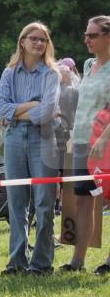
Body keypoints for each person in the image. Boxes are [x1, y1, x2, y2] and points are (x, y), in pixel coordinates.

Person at [0, 22, 61, 275]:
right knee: (16, 202)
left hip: (43, 137)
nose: (38, 43)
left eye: (43, 40)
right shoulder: (9, 73)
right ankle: (17, 261)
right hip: (14, 139)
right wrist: (30, 105)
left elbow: (46, 112)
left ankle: (42, 264)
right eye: (33, 38)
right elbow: (1, 108)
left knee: (44, 202)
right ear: (22, 42)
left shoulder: (51, 74)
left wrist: (16, 111)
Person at [62, 15, 110, 274]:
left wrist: (104, 139)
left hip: (105, 144)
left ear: (108, 36)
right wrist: (73, 135)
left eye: (93, 35)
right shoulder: (88, 63)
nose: (87, 40)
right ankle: (77, 261)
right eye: (86, 35)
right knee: (83, 200)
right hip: (81, 141)